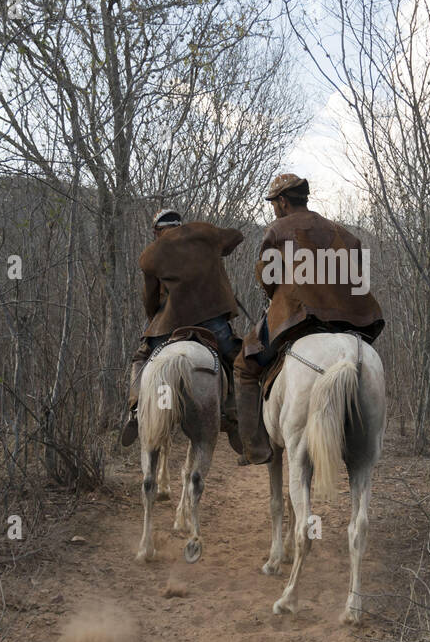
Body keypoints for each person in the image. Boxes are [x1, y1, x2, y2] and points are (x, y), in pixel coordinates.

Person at [233, 174, 385, 464]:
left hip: (299, 317)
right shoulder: (342, 231)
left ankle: (255, 447)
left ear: (282, 201)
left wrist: (280, 294)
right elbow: (359, 272)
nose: (274, 209)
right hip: (350, 320)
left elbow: (268, 279)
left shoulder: (277, 230)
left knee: (244, 365)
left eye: (274, 203)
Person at [122, 209, 244, 450]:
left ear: (156, 231)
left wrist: (153, 321)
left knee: (141, 358)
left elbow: (150, 300)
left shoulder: (150, 255)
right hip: (213, 321)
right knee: (238, 361)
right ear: (180, 224)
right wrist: (213, 247)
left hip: (170, 325)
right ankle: (234, 418)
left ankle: (135, 410)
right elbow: (237, 236)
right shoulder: (205, 233)